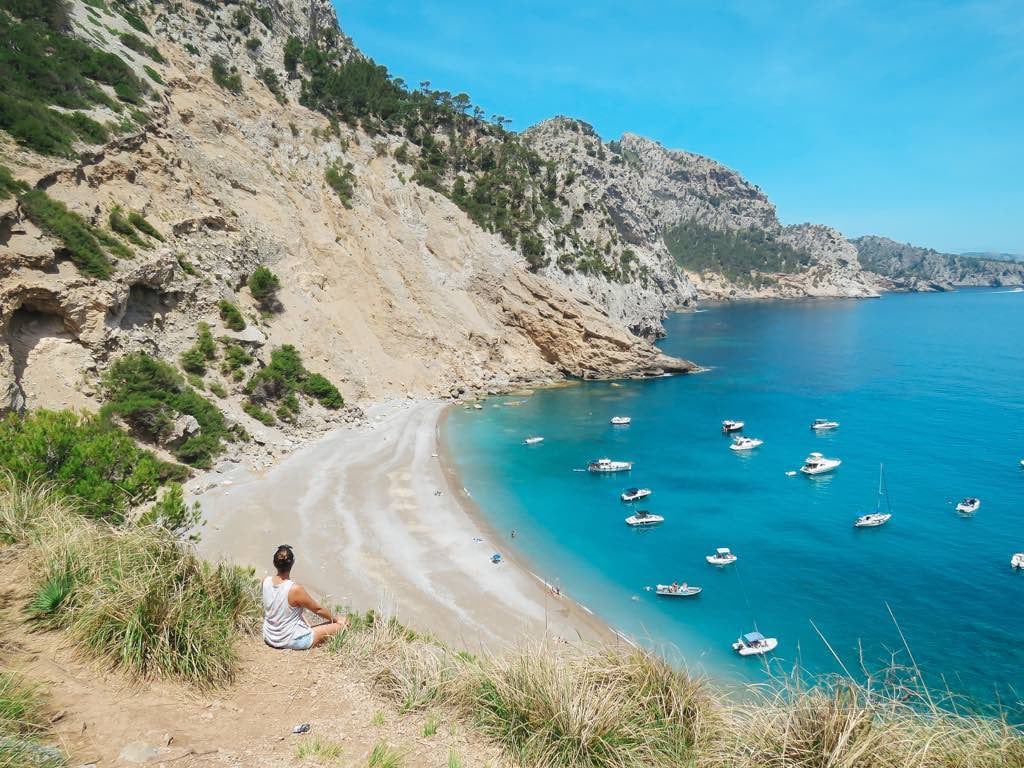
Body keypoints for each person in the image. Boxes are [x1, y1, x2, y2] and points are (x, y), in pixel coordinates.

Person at [262, 545, 347, 650]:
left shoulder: (266, 581)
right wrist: (336, 619)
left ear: (274, 563)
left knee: (313, 623)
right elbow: (318, 609)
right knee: (345, 623)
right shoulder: (294, 589)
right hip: (290, 640)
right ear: (292, 563)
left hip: (269, 636)